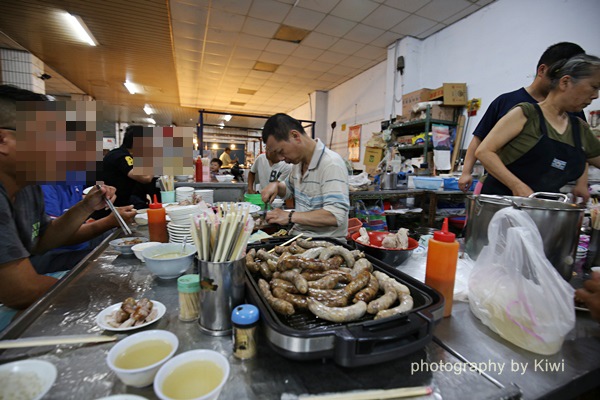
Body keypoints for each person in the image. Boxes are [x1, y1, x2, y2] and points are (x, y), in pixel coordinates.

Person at [0, 85, 134, 327]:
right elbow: (20, 291)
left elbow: (43, 240)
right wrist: (98, 288)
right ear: (3, 140)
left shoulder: (27, 187)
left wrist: (85, 207)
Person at [459, 42, 589, 198]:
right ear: (543, 70)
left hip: (544, 194)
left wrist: (582, 184)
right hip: (499, 190)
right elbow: (479, 140)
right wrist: (466, 172)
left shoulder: (572, 111)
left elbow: (582, 150)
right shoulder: (507, 102)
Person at [260, 113, 349, 239]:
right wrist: (276, 186)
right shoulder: (298, 163)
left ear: (295, 136)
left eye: (281, 151)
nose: (281, 159)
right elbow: (289, 189)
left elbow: (335, 215)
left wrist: (289, 216)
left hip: (325, 244)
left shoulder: (331, 164)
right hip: (300, 238)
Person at [30, 184, 134, 274]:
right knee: (110, 260)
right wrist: (108, 222)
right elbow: (51, 239)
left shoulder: (73, 179)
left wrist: (103, 189)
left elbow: (92, 188)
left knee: (129, 239)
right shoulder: (45, 187)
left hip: (80, 243)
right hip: (52, 254)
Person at [101, 125, 154, 207]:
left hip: (121, 199)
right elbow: (146, 177)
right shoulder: (122, 156)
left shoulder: (120, 153)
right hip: (115, 204)